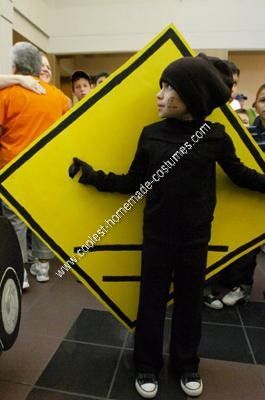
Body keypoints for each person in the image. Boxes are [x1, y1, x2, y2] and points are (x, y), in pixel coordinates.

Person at [68, 54, 265, 398]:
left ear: (191, 94)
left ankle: (187, 365)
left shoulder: (214, 137)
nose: (159, 95)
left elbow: (240, 175)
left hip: (196, 237)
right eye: (161, 87)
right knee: (151, 302)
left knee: (190, 303)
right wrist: (94, 176)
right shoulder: (151, 134)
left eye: (168, 87)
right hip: (156, 235)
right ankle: (146, 366)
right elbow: (133, 181)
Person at [0, 42, 70, 289]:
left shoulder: (6, 95)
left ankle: (21, 274)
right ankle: (41, 266)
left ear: (16, 66)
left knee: (16, 221)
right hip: (44, 169)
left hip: (13, 168)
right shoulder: (57, 97)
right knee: (41, 217)